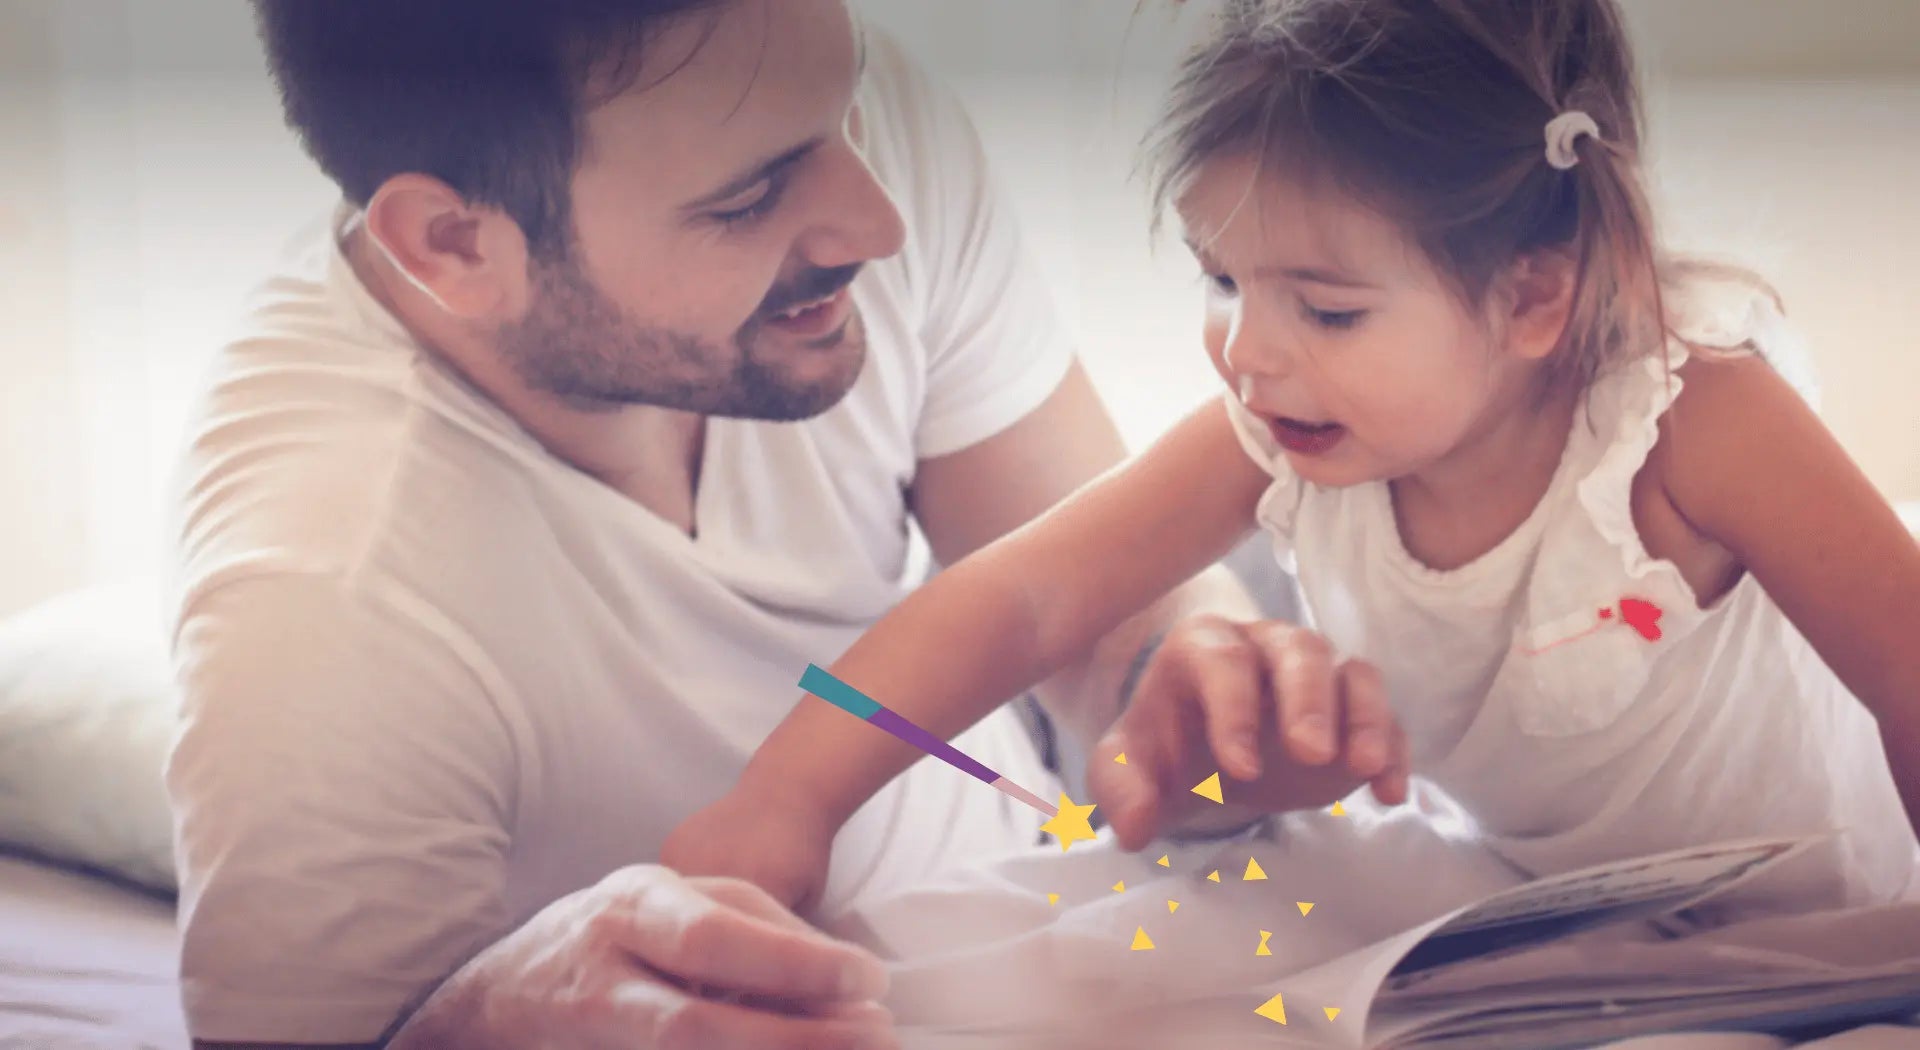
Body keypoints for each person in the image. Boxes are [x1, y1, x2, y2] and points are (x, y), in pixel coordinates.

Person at [166, 1, 1401, 1047]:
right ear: (452, 244)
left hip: (1069, 939)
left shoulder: (797, 119)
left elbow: (1089, 586)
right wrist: (483, 1019)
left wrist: (1190, 684)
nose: (876, 220)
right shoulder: (322, 606)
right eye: (749, 197)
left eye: (849, 105)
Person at [664, 0, 1920, 927]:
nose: (1247, 353)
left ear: (1534, 296)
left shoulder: (1691, 414)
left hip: (1815, 913)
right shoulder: (1279, 423)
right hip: (1531, 915)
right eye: (1220, 279)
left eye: (1324, 309)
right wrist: (790, 797)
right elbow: (1020, 595)